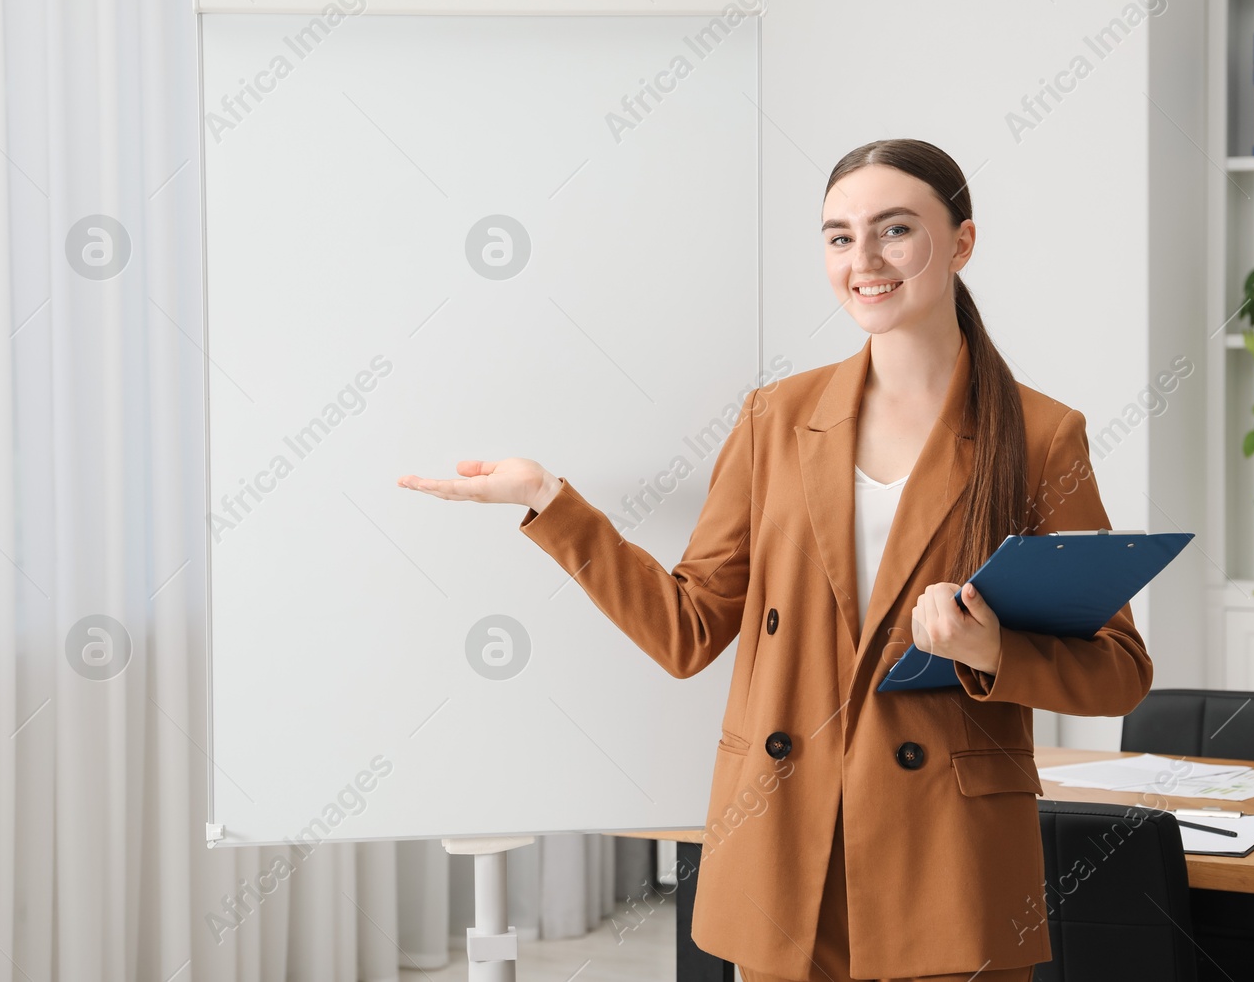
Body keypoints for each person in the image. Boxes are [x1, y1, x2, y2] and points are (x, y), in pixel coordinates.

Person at [398, 138, 1153, 982]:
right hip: (786, 855)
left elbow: (1117, 673)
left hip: (946, 868)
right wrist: (550, 500)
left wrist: (989, 652)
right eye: (838, 236)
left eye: (894, 230)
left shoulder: (1042, 435)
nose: (863, 260)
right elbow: (686, 632)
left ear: (962, 242)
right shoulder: (776, 418)